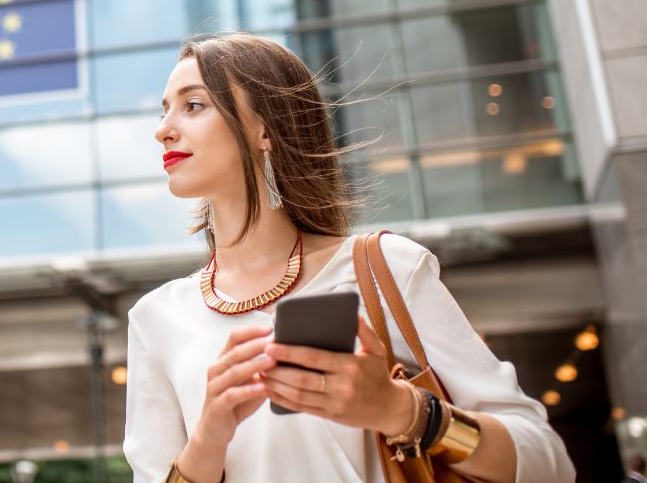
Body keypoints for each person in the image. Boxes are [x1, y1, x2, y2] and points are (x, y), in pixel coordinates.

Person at [124, 33, 575, 482]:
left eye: (194, 105)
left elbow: (547, 464)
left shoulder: (386, 267)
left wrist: (401, 411)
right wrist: (208, 438)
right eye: (165, 110)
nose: (163, 129)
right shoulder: (156, 319)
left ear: (266, 129)